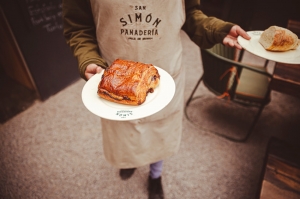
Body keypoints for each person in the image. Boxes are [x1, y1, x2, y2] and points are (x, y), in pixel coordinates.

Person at [62, 1, 251, 198]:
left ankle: (155, 175)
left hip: (165, 77)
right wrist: (88, 58)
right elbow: (78, 26)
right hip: (115, 81)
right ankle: (130, 161)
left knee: (161, 132)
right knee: (125, 132)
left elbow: (190, 14)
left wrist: (217, 29)